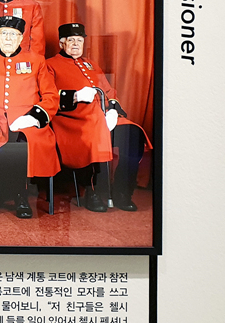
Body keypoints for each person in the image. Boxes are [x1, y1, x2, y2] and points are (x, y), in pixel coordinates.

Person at [45, 22, 152, 212]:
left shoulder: (91, 64)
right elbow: (48, 97)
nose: (76, 44)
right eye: (71, 40)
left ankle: (122, 192)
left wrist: (113, 110)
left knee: (133, 134)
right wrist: (75, 96)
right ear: (62, 43)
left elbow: (109, 91)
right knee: (92, 134)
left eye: (80, 40)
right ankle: (91, 191)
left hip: (102, 117)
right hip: (73, 120)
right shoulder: (50, 65)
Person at [0, 16, 60, 217]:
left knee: (22, 142)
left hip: (26, 119)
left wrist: (33, 117)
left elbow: (51, 96)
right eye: (4, 34)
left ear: (21, 38)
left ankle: (20, 195)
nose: (8, 38)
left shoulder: (36, 61)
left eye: (13, 34)